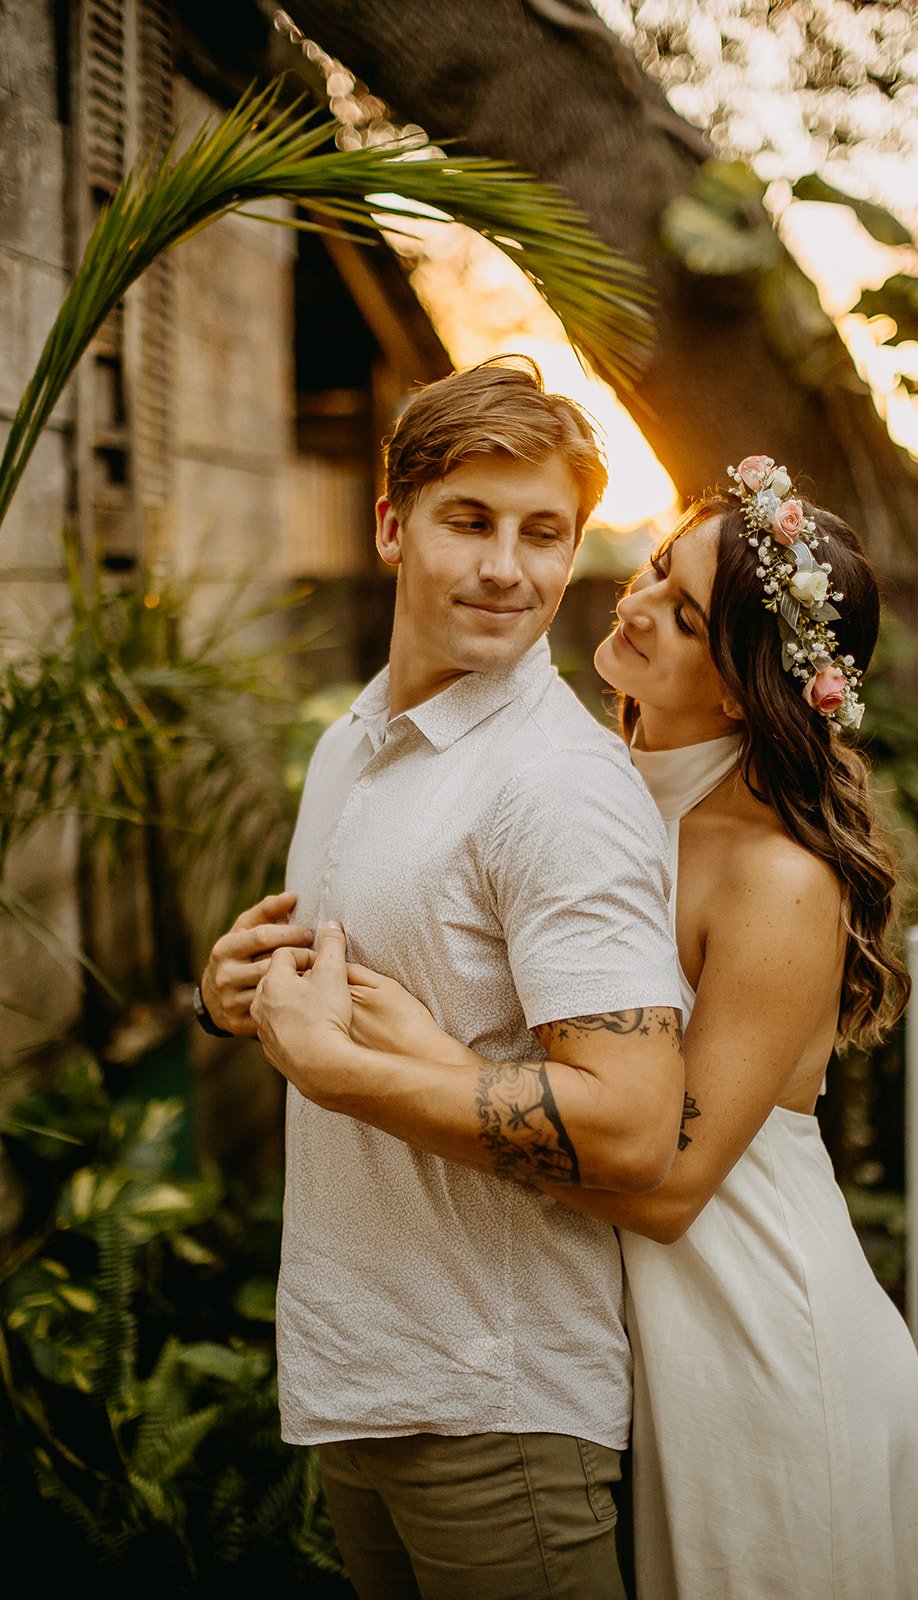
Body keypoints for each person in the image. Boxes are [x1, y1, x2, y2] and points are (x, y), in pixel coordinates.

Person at [259, 454, 918, 1598]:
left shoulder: (774, 876)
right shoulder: (587, 787)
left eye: (681, 614)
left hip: (750, 1324)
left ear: (739, 686)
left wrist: (423, 1059)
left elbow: (667, 1186)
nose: (632, 606)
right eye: (653, 572)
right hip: (617, 1330)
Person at [196, 355, 687, 1600]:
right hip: (359, 1369)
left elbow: (630, 1124)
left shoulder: (556, 786)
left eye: (543, 533)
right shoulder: (351, 744)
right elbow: (356, 988)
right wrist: (234, 990)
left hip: (498, 1397)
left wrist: (345, 1075)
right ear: (390, 526)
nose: (506, 569)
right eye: (469, 520)